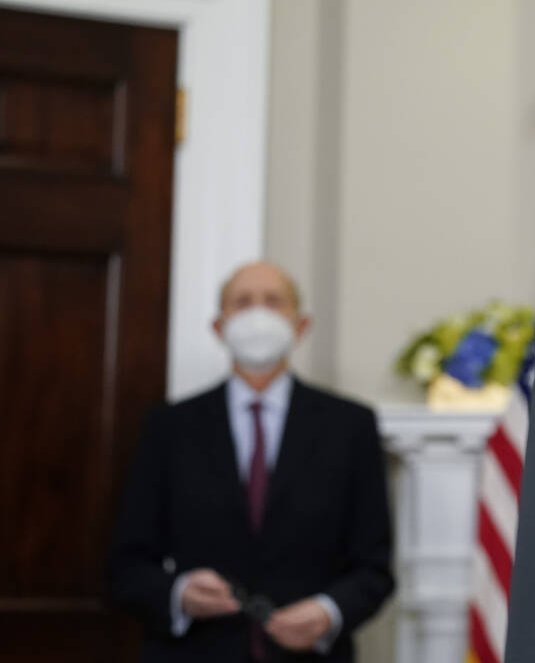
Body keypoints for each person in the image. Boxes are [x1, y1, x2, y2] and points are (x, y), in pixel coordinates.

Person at [109, 262, 394, 661]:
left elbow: (373, 566)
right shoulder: (169, 427)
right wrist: (179, 594)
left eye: (274, 302)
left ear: (301, 325)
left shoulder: (351, 426)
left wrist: (329, 612)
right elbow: (128, 564)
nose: (258, 315)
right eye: (242, 303)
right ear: (218, 326)